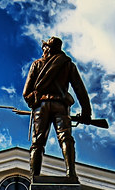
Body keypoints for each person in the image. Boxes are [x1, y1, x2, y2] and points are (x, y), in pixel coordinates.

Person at [22, 36, 92, 181]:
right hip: (61, 105)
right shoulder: (68, 64)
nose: (43, 51)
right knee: (66, 138)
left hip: (41, 106)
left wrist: (33, 101)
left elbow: (26, 93)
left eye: (44, 48)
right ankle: (71, 173)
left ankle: (34, 176)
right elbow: (80, 89)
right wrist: (86, 112)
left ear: (47, 48)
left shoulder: (36, 65)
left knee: (38, 142)